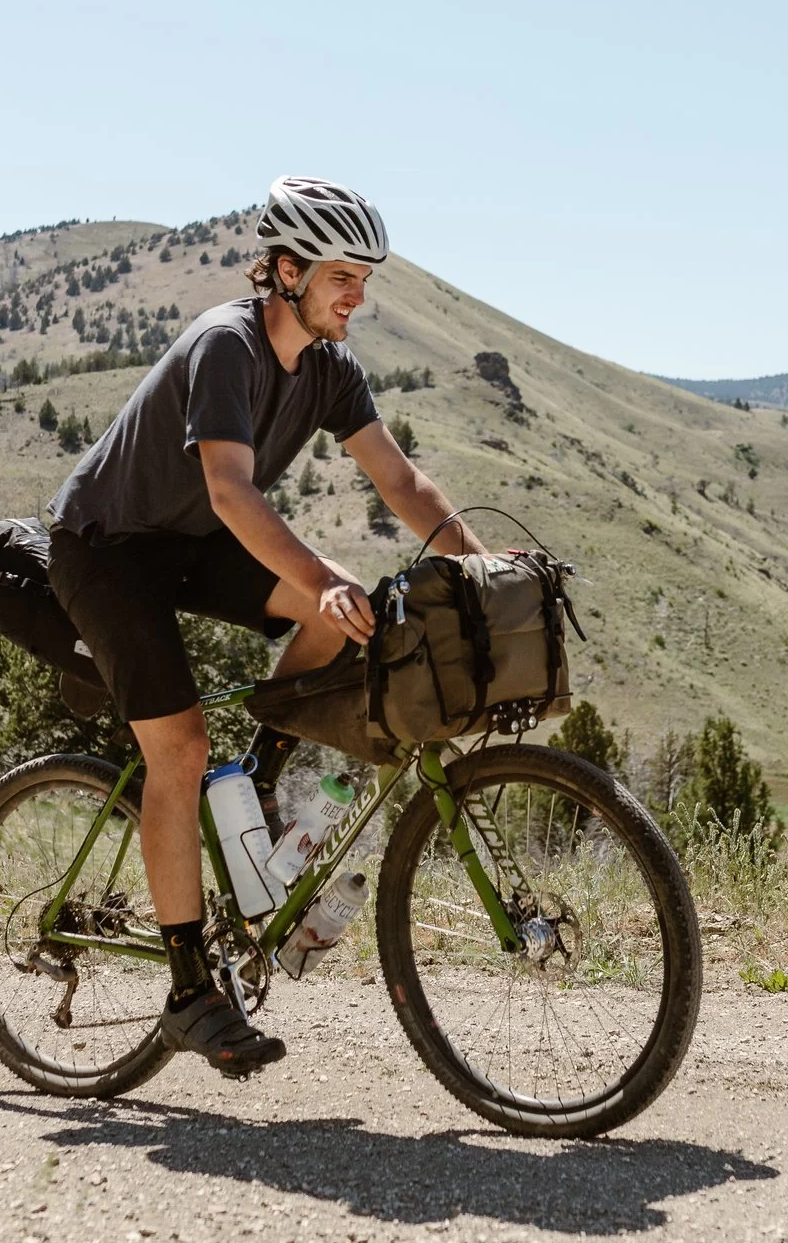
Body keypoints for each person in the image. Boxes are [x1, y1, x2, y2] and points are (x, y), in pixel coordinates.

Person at [45, 177, 484, 1077]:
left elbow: (401, 483)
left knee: (350, 611)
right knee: (180, 750)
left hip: (193, 545)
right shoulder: (226, 346)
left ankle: (266, 790)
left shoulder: (328, 367)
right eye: (341, 276)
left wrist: (479, 570)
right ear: (286, 271)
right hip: (109, 547)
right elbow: (229, 489)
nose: (357, 295)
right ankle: (186, 991)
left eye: (364, 278)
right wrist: (315, 578)